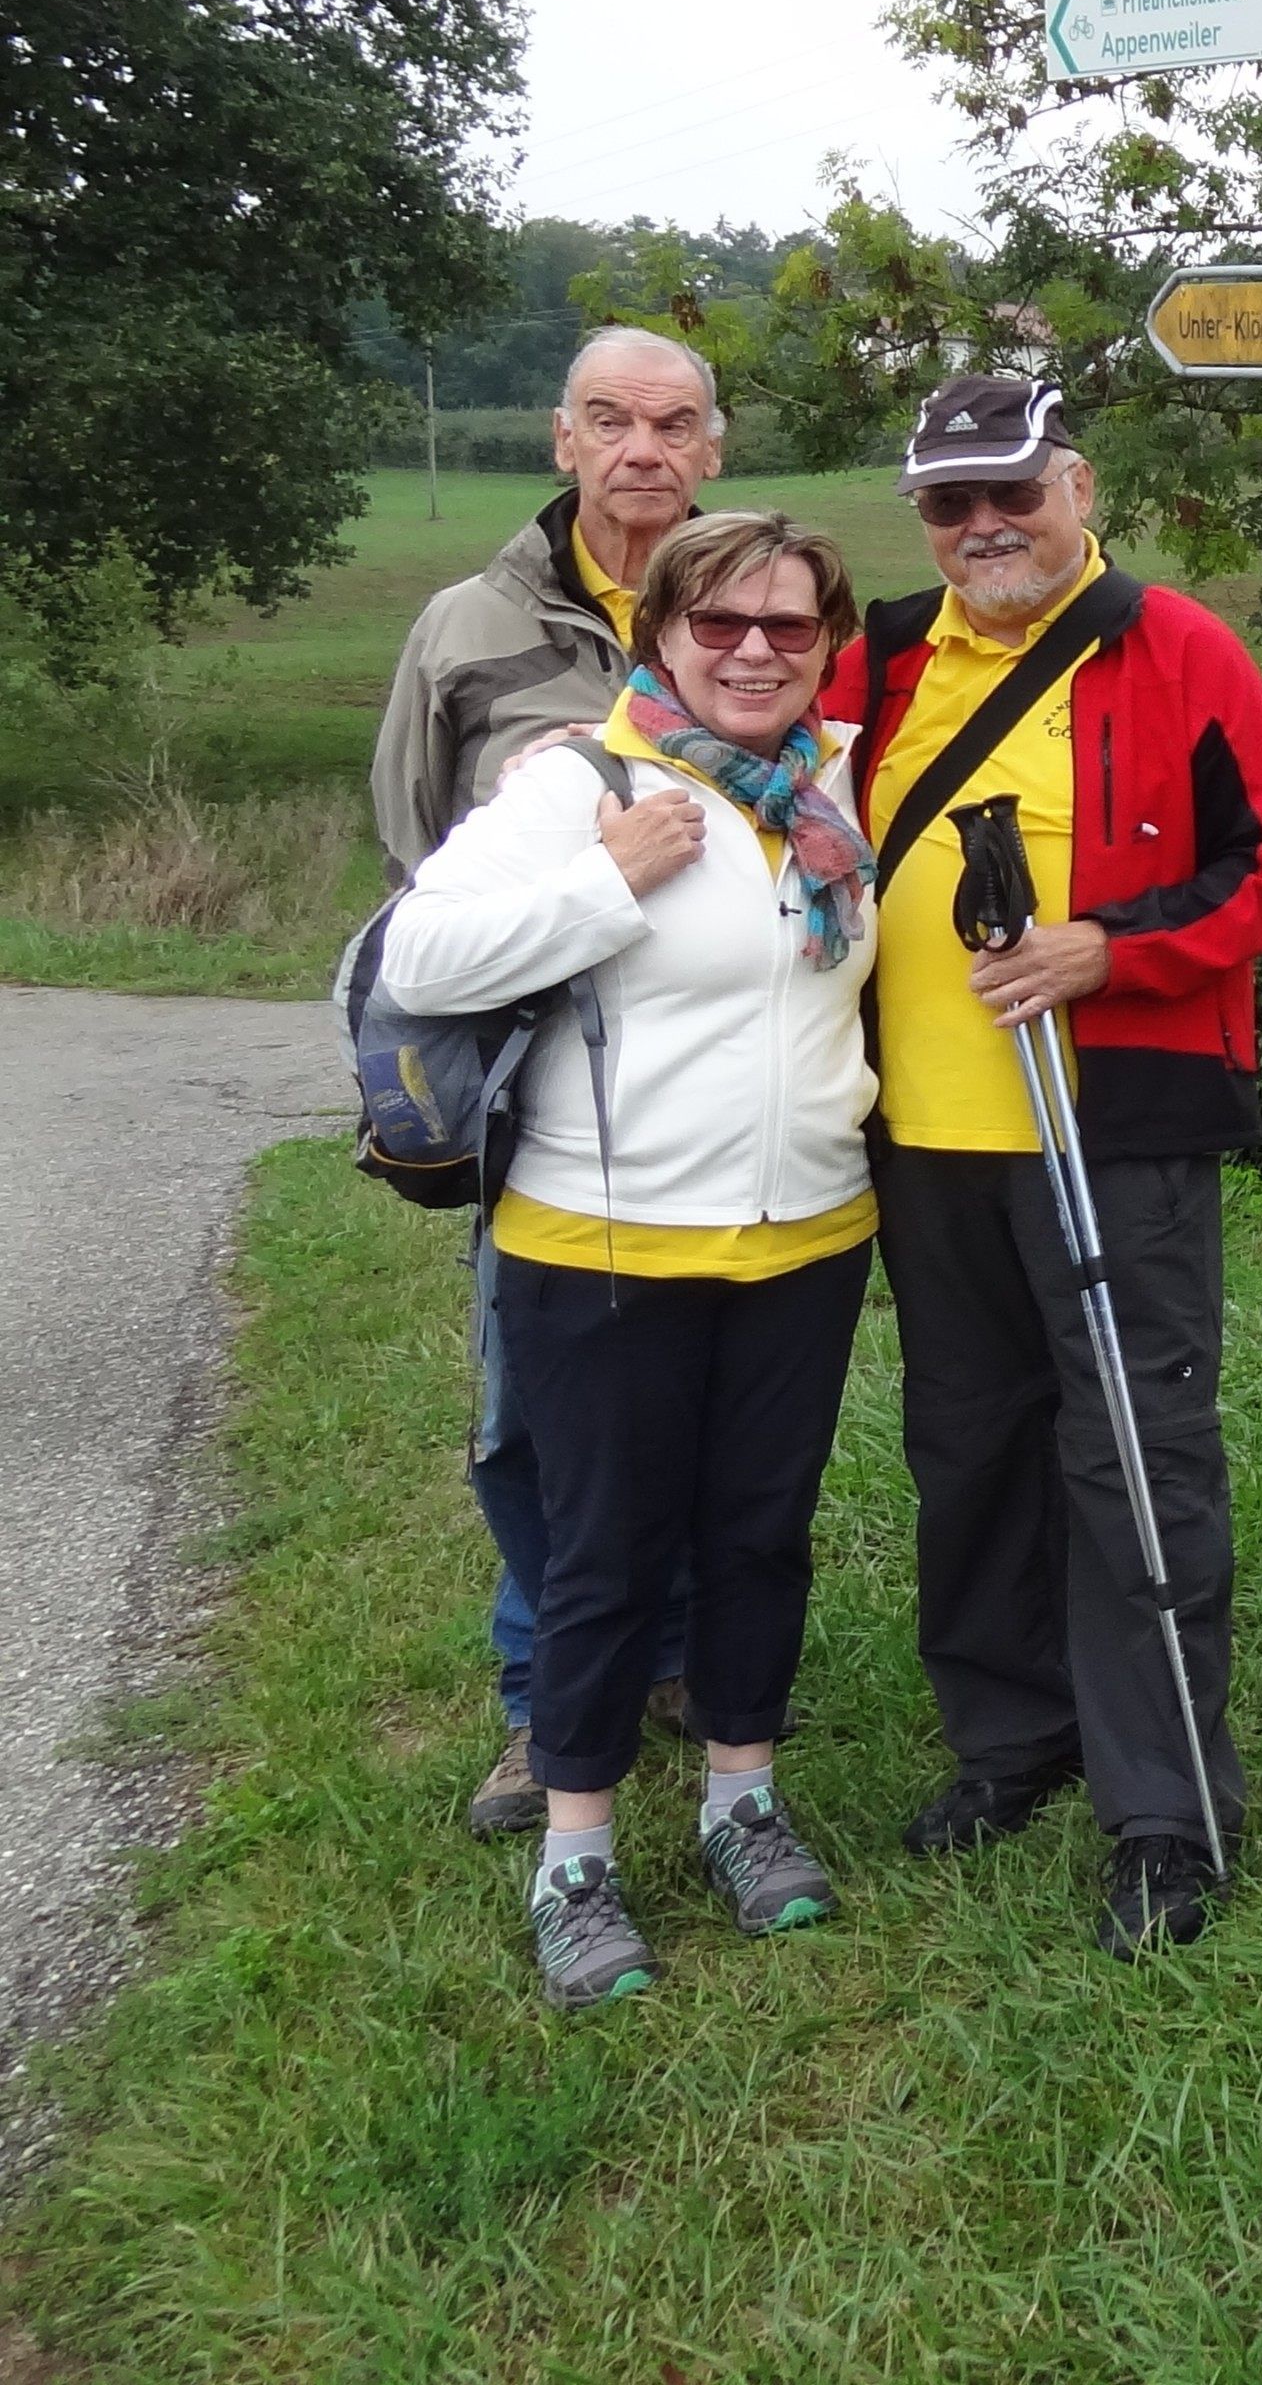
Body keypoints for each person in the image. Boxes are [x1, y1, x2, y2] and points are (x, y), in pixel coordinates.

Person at [824, 376, 1262, 1957]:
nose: (985, 526)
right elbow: (749, 762)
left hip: (1115, 1131)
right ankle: (1009, 1738)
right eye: (951, 504)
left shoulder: (1176, 646)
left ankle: (1166, 1806)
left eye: (1012, 493)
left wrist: (1117, 949)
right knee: (967, 1448)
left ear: (1075, 485)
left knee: (1131, 1454)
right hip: (926, 1144)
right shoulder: (886, 658)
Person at [379, 511, 882, 2009]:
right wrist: (608, 880)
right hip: (604, 1243)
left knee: (757, 1533)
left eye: (788, 629)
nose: (752, 652)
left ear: (823, 647)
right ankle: (579, 1859)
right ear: (660, 630)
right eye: (719, 622)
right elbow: (422, 955)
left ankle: (743, 1801)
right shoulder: (581, 780)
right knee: (603, 1556)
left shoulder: (841, 788)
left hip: (806, 1233)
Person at [372, 329, 722, 1844]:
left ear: (713, 448)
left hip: (715, 1082)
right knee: (532, 1416)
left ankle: (686, 1658)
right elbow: (412, 863)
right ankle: (541, 1699)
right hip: (534, 1098)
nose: (642, 449)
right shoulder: (467, 626)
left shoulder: (760, 604)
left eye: (673, 423)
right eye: (609, 421)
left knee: (711, 1394)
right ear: (561, 443)